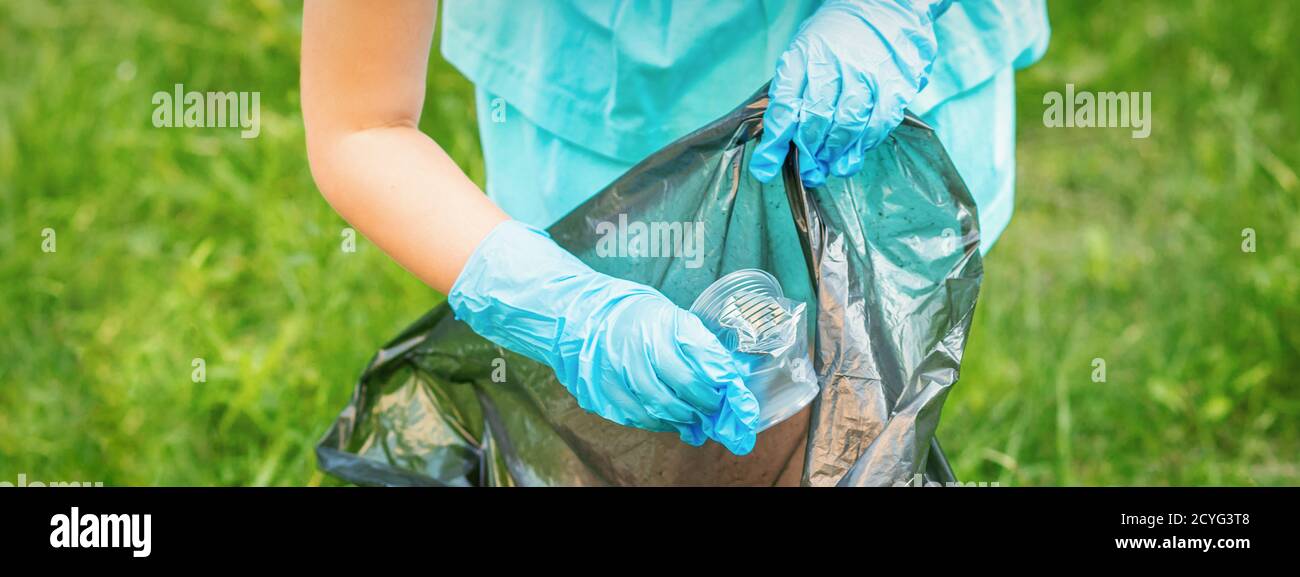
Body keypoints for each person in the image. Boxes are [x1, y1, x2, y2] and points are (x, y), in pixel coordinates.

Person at [301, 0, 1049, 482]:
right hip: (600, 96)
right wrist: (565, 306)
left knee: (811, 432)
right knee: (654, 443)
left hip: (858, 79)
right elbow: (361, 121)